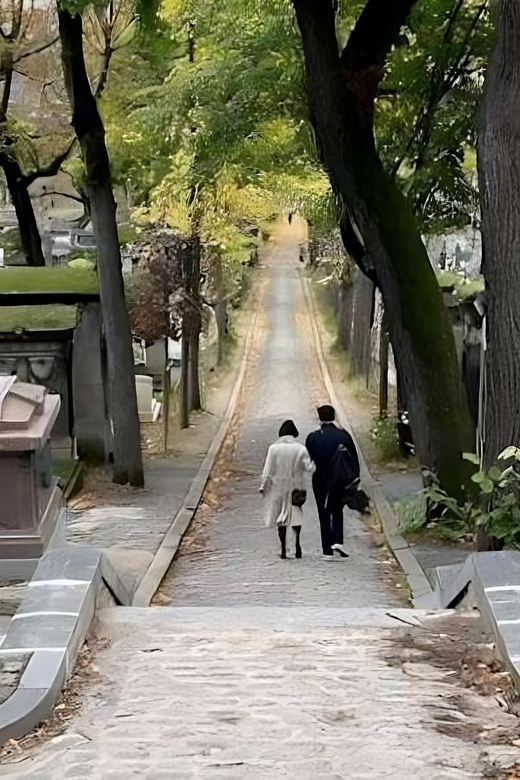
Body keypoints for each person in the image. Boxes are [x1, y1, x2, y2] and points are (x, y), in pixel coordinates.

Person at [305, 404, 360, 559]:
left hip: (321, 478)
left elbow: (309, 459)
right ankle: (337, 540)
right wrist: (355, 478)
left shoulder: (313, 437)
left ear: (319, 417)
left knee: (323, 511)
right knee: (337, 508)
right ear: (334, 416)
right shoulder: (344, 435)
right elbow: (354, 458)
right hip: (342, 478)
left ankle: (327, 549)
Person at [261, 420, 315, 559]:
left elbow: (268, 469)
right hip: (297, 487)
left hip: (279, 486)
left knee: (281, 517)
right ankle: (297, 543)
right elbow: (309, 468)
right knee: (296, 515)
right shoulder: (301, 449)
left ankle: (284, 547)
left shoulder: (273, 449)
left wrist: (264, 486)